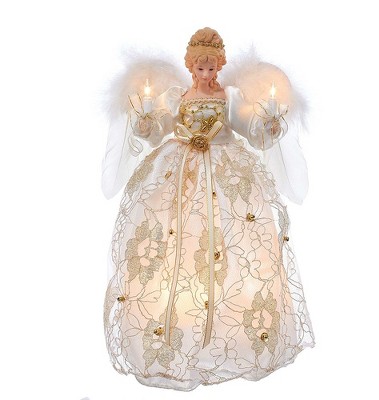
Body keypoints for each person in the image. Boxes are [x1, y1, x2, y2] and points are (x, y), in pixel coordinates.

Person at [102, 27, 315, 391]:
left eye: (212, 68)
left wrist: (268, 124)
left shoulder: (229, 97)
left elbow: (249, 128)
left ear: (220, 66)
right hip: (179, 171)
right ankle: (175, 324)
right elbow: (159, 130)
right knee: (177, 238)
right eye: (200, 68)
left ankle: (226, 322)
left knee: (230, 237)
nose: (206, 74)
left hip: (224, 168)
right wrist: (146, 123)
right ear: (190, 67)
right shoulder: (177, 96)